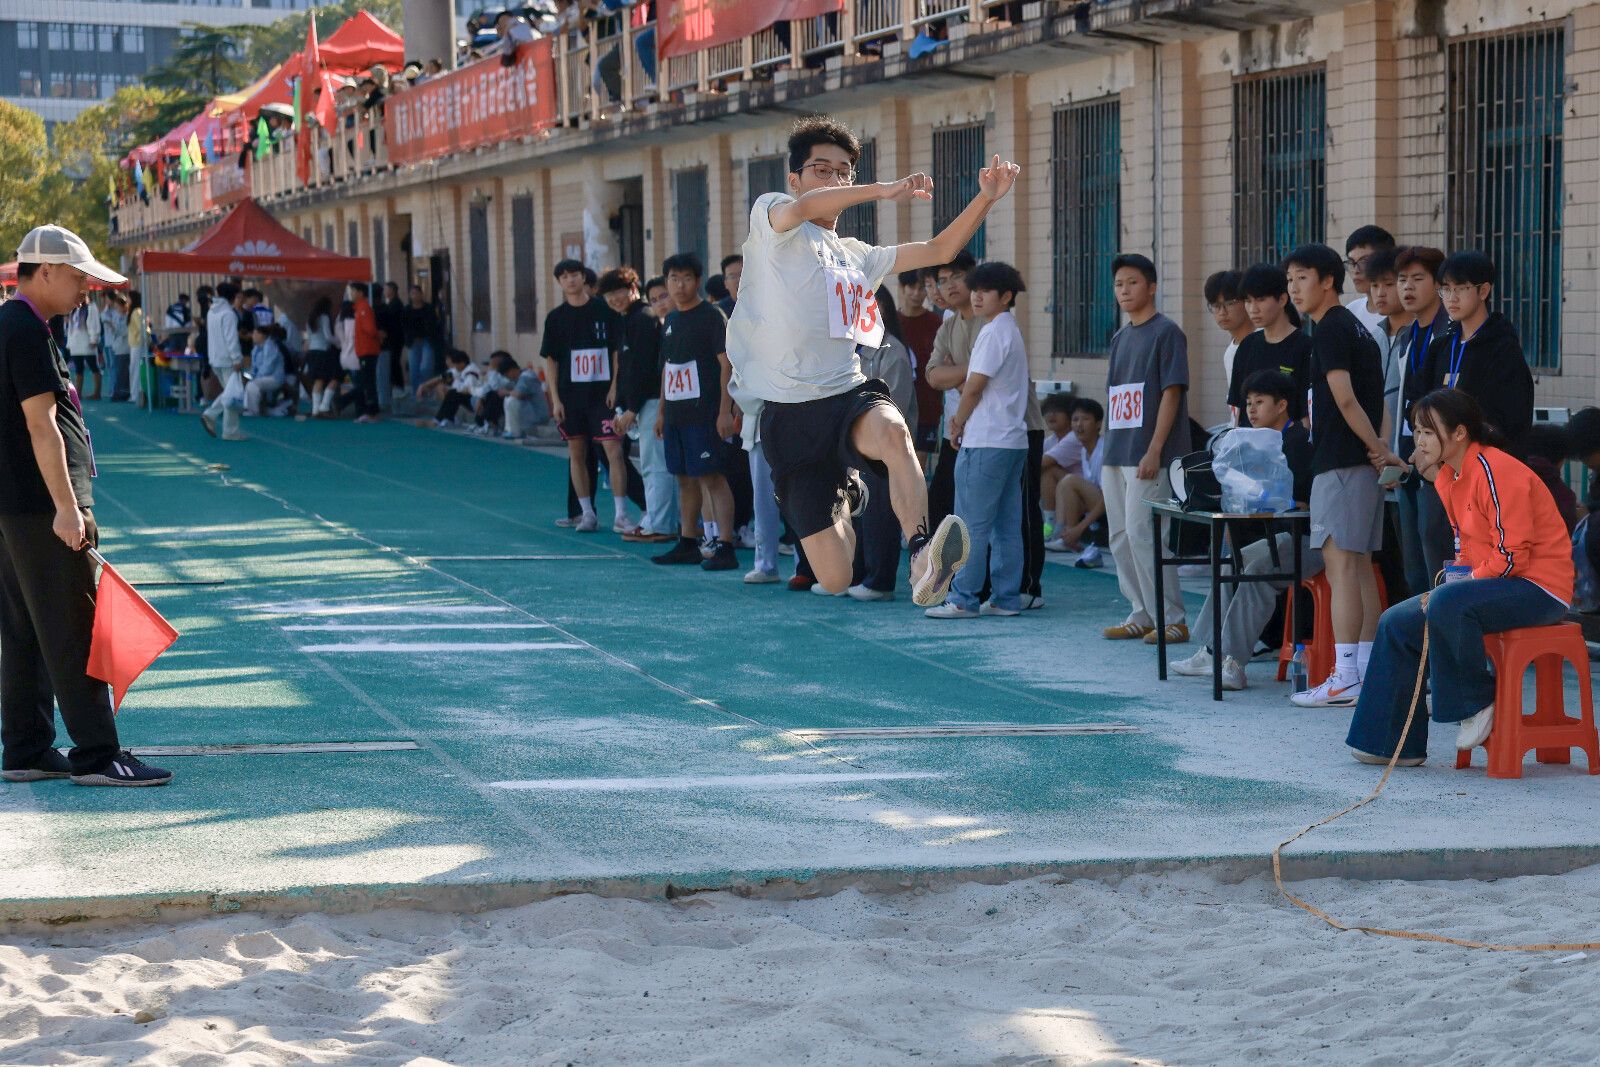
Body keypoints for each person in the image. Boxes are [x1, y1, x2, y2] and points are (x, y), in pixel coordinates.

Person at [726, 117, 1018, 604]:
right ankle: (846, 493)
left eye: (844, 172)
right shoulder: (773, 219)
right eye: (822, 170)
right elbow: (808, 207)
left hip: (846, 392)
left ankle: (922, 554)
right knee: (835, 578)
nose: (835, 180)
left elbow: (940, 249)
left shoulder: (856, 256)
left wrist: (985, 198)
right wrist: (884, 190)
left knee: (894, 433)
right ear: (795, 179)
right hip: (788, 415)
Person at [0, 224, 172, 786]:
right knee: (72, 627)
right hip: (41, 506)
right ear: (46, 272)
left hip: (13, 506)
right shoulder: (26, 329)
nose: (85, 290)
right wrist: (67, 506)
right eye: (79, 278)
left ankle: (26, 747)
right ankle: (98, 754)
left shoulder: (13, 323)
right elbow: (42, 423)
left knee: (23, 631)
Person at [1345, 389, 1573, 765]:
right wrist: (1450, 586)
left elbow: (1512, 556)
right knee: (1396, 622)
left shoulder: (1496, 470)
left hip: (1539, 588)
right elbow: (1465, 550)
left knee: (1446, 601)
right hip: (1494, 583)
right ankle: (1389, 744)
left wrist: (1455, 591)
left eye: (1429, 432)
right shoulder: (1449, 477)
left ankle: (1476, 702)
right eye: (1417, 431)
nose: (1419, 441)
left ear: (1460, 433)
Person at [1284, 243, 1400, 707]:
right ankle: (1365, 673)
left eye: (1302, 278)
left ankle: (1346, 675)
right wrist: (1380, 449)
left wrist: (1378, 449)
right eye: (1289, 280)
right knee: (1361, 569)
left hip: (1342, 465)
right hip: (1357, 466)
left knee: (1342, 569)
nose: (1294, 289)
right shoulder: (1358, 329)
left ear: (1328, 280)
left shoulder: (1332, 329)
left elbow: (1346, 398)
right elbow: (1378, 402)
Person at [1172, 370, 1318, 690]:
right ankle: (1211, 651)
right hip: (1282, 536)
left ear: (1282, 405)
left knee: (1258, 571)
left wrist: (1279, 501)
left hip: (1312, 540)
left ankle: (1234, 662)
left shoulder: (1299, 443)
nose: (1251, 409)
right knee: (1234, 562)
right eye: (1248, 402)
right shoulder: (1250, 444)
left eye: (1259, 402)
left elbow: (1305, 503)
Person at [1408, 250, 1535, 588]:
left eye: (1460, 288)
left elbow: (1510, 418)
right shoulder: (1441, 345)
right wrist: (1425, 448)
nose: (1451, 298)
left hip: (1482, 478)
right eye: (1445, 289)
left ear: (1483, 290)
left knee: (1477, 565)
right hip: (1437, 474)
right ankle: (1437, 617)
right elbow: (1416, 405)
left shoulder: (1502, 348)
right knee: (1435, 564)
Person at [927, 262, 1030, 618]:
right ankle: (1005, 597)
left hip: (985, 440)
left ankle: (963, 598)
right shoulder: (1010, 329)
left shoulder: (991, 332)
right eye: (976, 289)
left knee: (970, 524)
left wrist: (957, 422)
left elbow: (973, 386)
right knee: (1006, 527)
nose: (976, 296)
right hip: (1012, 442)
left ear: (1006, 296)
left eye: (985, 290)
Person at [1100, 253, 1190, 643]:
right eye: (1119, 284)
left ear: (1152, 286)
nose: (1124, 290)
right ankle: (1141, 612)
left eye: (1133, 282)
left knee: (1145, 533)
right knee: (1120, 536)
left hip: (1149, 454)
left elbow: (1172, 392)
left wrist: (1155, 449)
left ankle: (1172, 617)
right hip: (1116, 450)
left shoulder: (1167, 333)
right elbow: (1115, 396)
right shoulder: (1120, 338)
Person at [650, 253, 737, 571]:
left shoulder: (711, 317)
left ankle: (725, 544)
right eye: (673, 279)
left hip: (705, 414)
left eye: (686, 278)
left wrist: (725, 411)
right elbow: (667, 368)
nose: (679, 285)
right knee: (684, 478)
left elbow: (726, 364)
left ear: (697, 281)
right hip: (676, 414)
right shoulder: (671, 319)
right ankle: (688, 541)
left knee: (712, 476)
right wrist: (662, 412)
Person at [542, 259, 632, 534]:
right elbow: (550, 360)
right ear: (559, 282)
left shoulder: (605, 310)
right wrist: (556, 399)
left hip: (602, 397)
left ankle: (621, 514)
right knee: (576, 452)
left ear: (583, 277)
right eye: (564, 276)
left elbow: (617, 351)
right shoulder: (555, 318)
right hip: (571, 397)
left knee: (614, 450)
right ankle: (586, 513)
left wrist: (615, 386)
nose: (570, 280)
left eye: (574, 275)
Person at [845, 285, 919, 601]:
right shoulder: (851, 349)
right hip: (857, 445)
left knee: (879, 515)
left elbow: (894, 407)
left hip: (884, 447)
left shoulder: (892, 351)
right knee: (856, 512)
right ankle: (857, 576)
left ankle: (880, 582)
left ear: (883, 309)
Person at [601, 267, 676, 542]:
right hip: (642, 403)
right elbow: (627, 369)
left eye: (619, 291)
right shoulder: (627, 320)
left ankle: (660, 524)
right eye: (609, 294)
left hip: (652, 402)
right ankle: (660, 520)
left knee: (656, 465)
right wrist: (623, 405)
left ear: (633, 289)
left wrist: (631, 408)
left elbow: (645, 368)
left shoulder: (643, 318)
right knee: (653, 464)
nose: (615, 298)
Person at [1391, 245, 1450, 597]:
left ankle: (1440, 628)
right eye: (1402, 280)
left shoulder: (1450, 333)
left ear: (1439, 284)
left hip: (1438, 463)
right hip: (1406, 459)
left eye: (1417, 278)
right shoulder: (1407, 335)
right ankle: (1420, 630)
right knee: (1412, 568)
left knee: (1437, 561)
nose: (1407, 287)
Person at [924, 252, 980, 532]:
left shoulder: (991, 321)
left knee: (992, 517)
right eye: (940, 281)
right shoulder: (949, 322)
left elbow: (983, 382)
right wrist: (972, 370)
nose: (945, 288)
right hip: (956, 427)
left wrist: (957, 373)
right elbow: (934, 375)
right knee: (944, 503)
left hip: (993, 432)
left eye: (956, 277)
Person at [1227, 262, 1309, 428]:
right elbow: (1238, 409)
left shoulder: (1305, 347)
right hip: (1249, 441)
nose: (1253, 309)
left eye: (1260, 300)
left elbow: (1306, 415)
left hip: (1288, 443)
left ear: (1282, 299)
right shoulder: (1247, 346)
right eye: (1248, 301)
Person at [1042, 395, 1106, 563]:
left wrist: (1079, 528)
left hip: (1109, 507)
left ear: (1098, 424)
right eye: (1075, 419)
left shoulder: (1103, 450)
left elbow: (1108, 498)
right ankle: (1061, 533)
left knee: (1069, 480)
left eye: (1085, 419)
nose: (1079, 425)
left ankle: (1068, 535)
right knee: (1065, 482)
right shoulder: (1084, 450)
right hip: (1090, 502)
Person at [897, 269, 943, 468]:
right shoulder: (891, 323)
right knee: (898, 463)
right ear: (902, 288)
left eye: (922, 288)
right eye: (912, 287)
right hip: (898, 404)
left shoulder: (936, 323)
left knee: (919, 464)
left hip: (927, 404)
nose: (917, 293)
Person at [200, 281, 246, 440]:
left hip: (215, 358)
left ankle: (213, 417)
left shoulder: (211, 312)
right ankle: (228, 430)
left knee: (229, 393)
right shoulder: (228, 314)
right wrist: (237, 358)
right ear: (232, 297)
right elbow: (231, 338)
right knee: (231, 395)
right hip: (228, 359)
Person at [1343, 224, 1395, 347]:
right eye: (1351, 262)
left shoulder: (1401, 314)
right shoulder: (1350, 311)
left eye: (1364, 262)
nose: (1356, 270)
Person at [1204, 268, 1251, 398]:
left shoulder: (1265, 340)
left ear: (1246, 301)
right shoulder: (1229, 353)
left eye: (1230, 303)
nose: (1222, 312)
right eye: (1216, 305)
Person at [417, 348, 482, 426]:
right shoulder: (461, 369)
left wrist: (452, 388)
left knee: (453, 393)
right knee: (443, 388)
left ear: (462, 363)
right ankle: (446, 418)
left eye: (454, 364)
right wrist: (424, 386)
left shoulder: (471, 373)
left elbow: (468, 390)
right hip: (469, 397)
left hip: (477, 401)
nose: (453, 366)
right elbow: (442, 378)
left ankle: (440, 420)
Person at [402, 284, 442, 403]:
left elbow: (435, 324)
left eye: (416, 293)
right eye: (412, 293)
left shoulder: (428, 308)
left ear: (421, 294)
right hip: (413, 342)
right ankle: (416, 393)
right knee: (414, 368)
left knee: (426, 367)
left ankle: (426, 389)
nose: (414, 296)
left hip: (427, 340)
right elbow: (403, 325)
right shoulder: (406, 309)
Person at [349, 282, 382, 423]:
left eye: (353, 291)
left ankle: (372, 413)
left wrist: (378, 335)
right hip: (364, 350)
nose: (351, 294)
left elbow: (370, 329)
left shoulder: (363, 309)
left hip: (367, 350)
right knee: (367, 381)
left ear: (361, 293)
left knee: (368, 382)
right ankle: (370, 412)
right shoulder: (360, 308)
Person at [304, 296, 341, 418]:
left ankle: (315, 409)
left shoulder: (310, 318)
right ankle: (324, 406)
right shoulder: (324, 317)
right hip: (323, 351)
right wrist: (339, 342)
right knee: (332, 377)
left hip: (312, 351)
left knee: (318, 380)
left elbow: (309, 337)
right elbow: (328, 336)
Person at [243, 323, 287, 416]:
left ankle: (253, 411)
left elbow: (268, 366)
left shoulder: (270, 346)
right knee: (248, 382)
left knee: (252, 385)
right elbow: (254, 367)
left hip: (275, 378)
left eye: (256, 333)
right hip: (263, 377)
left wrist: (255, 378)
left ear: (263, 335)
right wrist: (249, 375)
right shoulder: (256, 349)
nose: (253, 336)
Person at [64, 296, 102, 401]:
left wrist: (94, 339)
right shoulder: (73, 309)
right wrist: (69, 343)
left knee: (94, 367)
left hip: (87, 343)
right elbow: (70, 328)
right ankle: (78, 393)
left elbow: (94, 324)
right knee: (78, 369)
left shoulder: (91, 307)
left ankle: (97, 393)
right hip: (75, 344)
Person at [376, 281, 405, 412]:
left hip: (394, 340)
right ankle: (396, 389)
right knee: (393, 365)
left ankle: (398, 389)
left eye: (387, 289)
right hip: (393, 339)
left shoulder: (395, 305)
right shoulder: (390, 305)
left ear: (393, 290)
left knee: (394, 364)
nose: (385, 292)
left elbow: (394, 324)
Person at [100, 292, 130, 402]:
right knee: (116, 369)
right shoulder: (117, 315)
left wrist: (113, 327)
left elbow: (123, 331)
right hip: (116, 347)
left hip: (123, 348)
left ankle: (119, 392)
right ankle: (116, 391)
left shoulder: (126, 317)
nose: (116, 309)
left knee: (120, 371)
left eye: (118, 307)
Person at [126, 291, 150, 408]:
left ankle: (136, 395)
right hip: (135, 345)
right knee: (134, 369)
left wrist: (141, 340)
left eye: (129, 297)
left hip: (138, 345)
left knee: (136, 370)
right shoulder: (134, 311)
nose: (127, 300)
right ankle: (135, 394)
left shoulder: (136, 312)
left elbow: (143, 328)